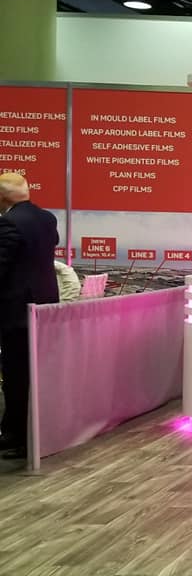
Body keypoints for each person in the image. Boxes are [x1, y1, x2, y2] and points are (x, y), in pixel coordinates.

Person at [0, 174, 59, 461]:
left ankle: (17, 436)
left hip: (16, 312)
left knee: (15, 375)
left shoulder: (8, 223)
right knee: (37, 375)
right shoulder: (47, 219)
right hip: (45, 310)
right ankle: (28, 433)